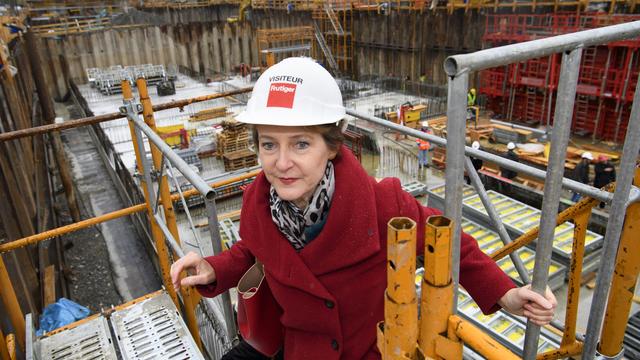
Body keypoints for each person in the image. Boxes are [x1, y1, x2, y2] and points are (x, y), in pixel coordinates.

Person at [170, 57, 556, 360]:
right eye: (269, 144)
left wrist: (503, 293)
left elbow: (450, 243)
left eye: (301, 144)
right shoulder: (258, 206)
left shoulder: (381, 204)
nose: (281, 162)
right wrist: (213, 269)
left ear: (332, 145)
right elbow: (254, 253)